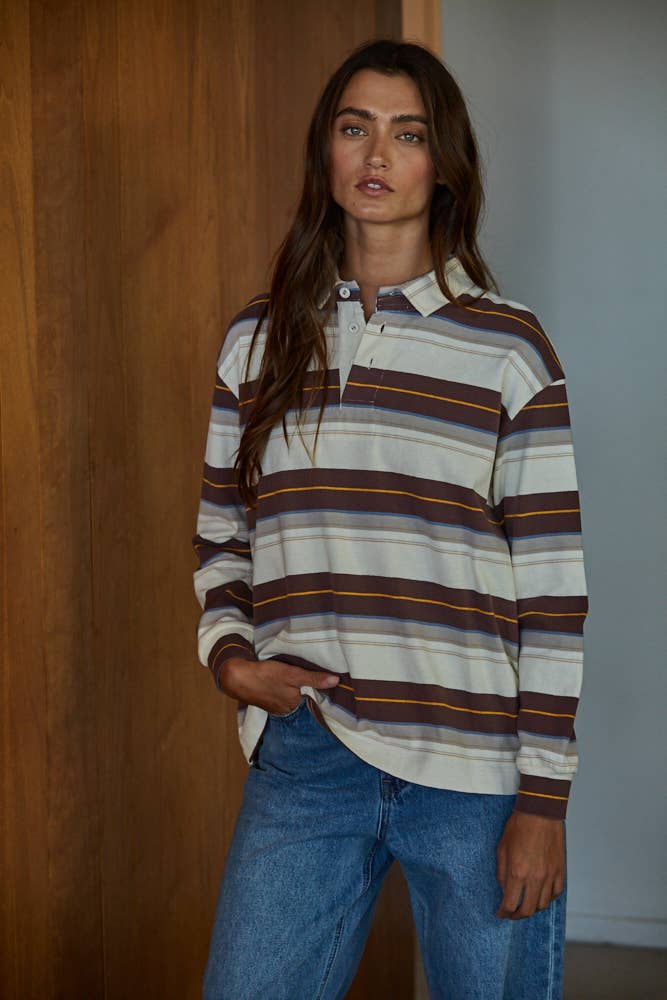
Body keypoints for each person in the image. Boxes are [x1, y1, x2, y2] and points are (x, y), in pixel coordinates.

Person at [192, 38, 588, 1000]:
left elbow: (551, 590)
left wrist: (542, 801)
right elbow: (221, 534)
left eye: (407, 134)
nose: (376, 155)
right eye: (353, 127)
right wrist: (230, 658)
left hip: (474, 771)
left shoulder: (509, 350)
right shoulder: (258, 341)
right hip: (310, 751)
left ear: (442, 164)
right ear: (324, 153)